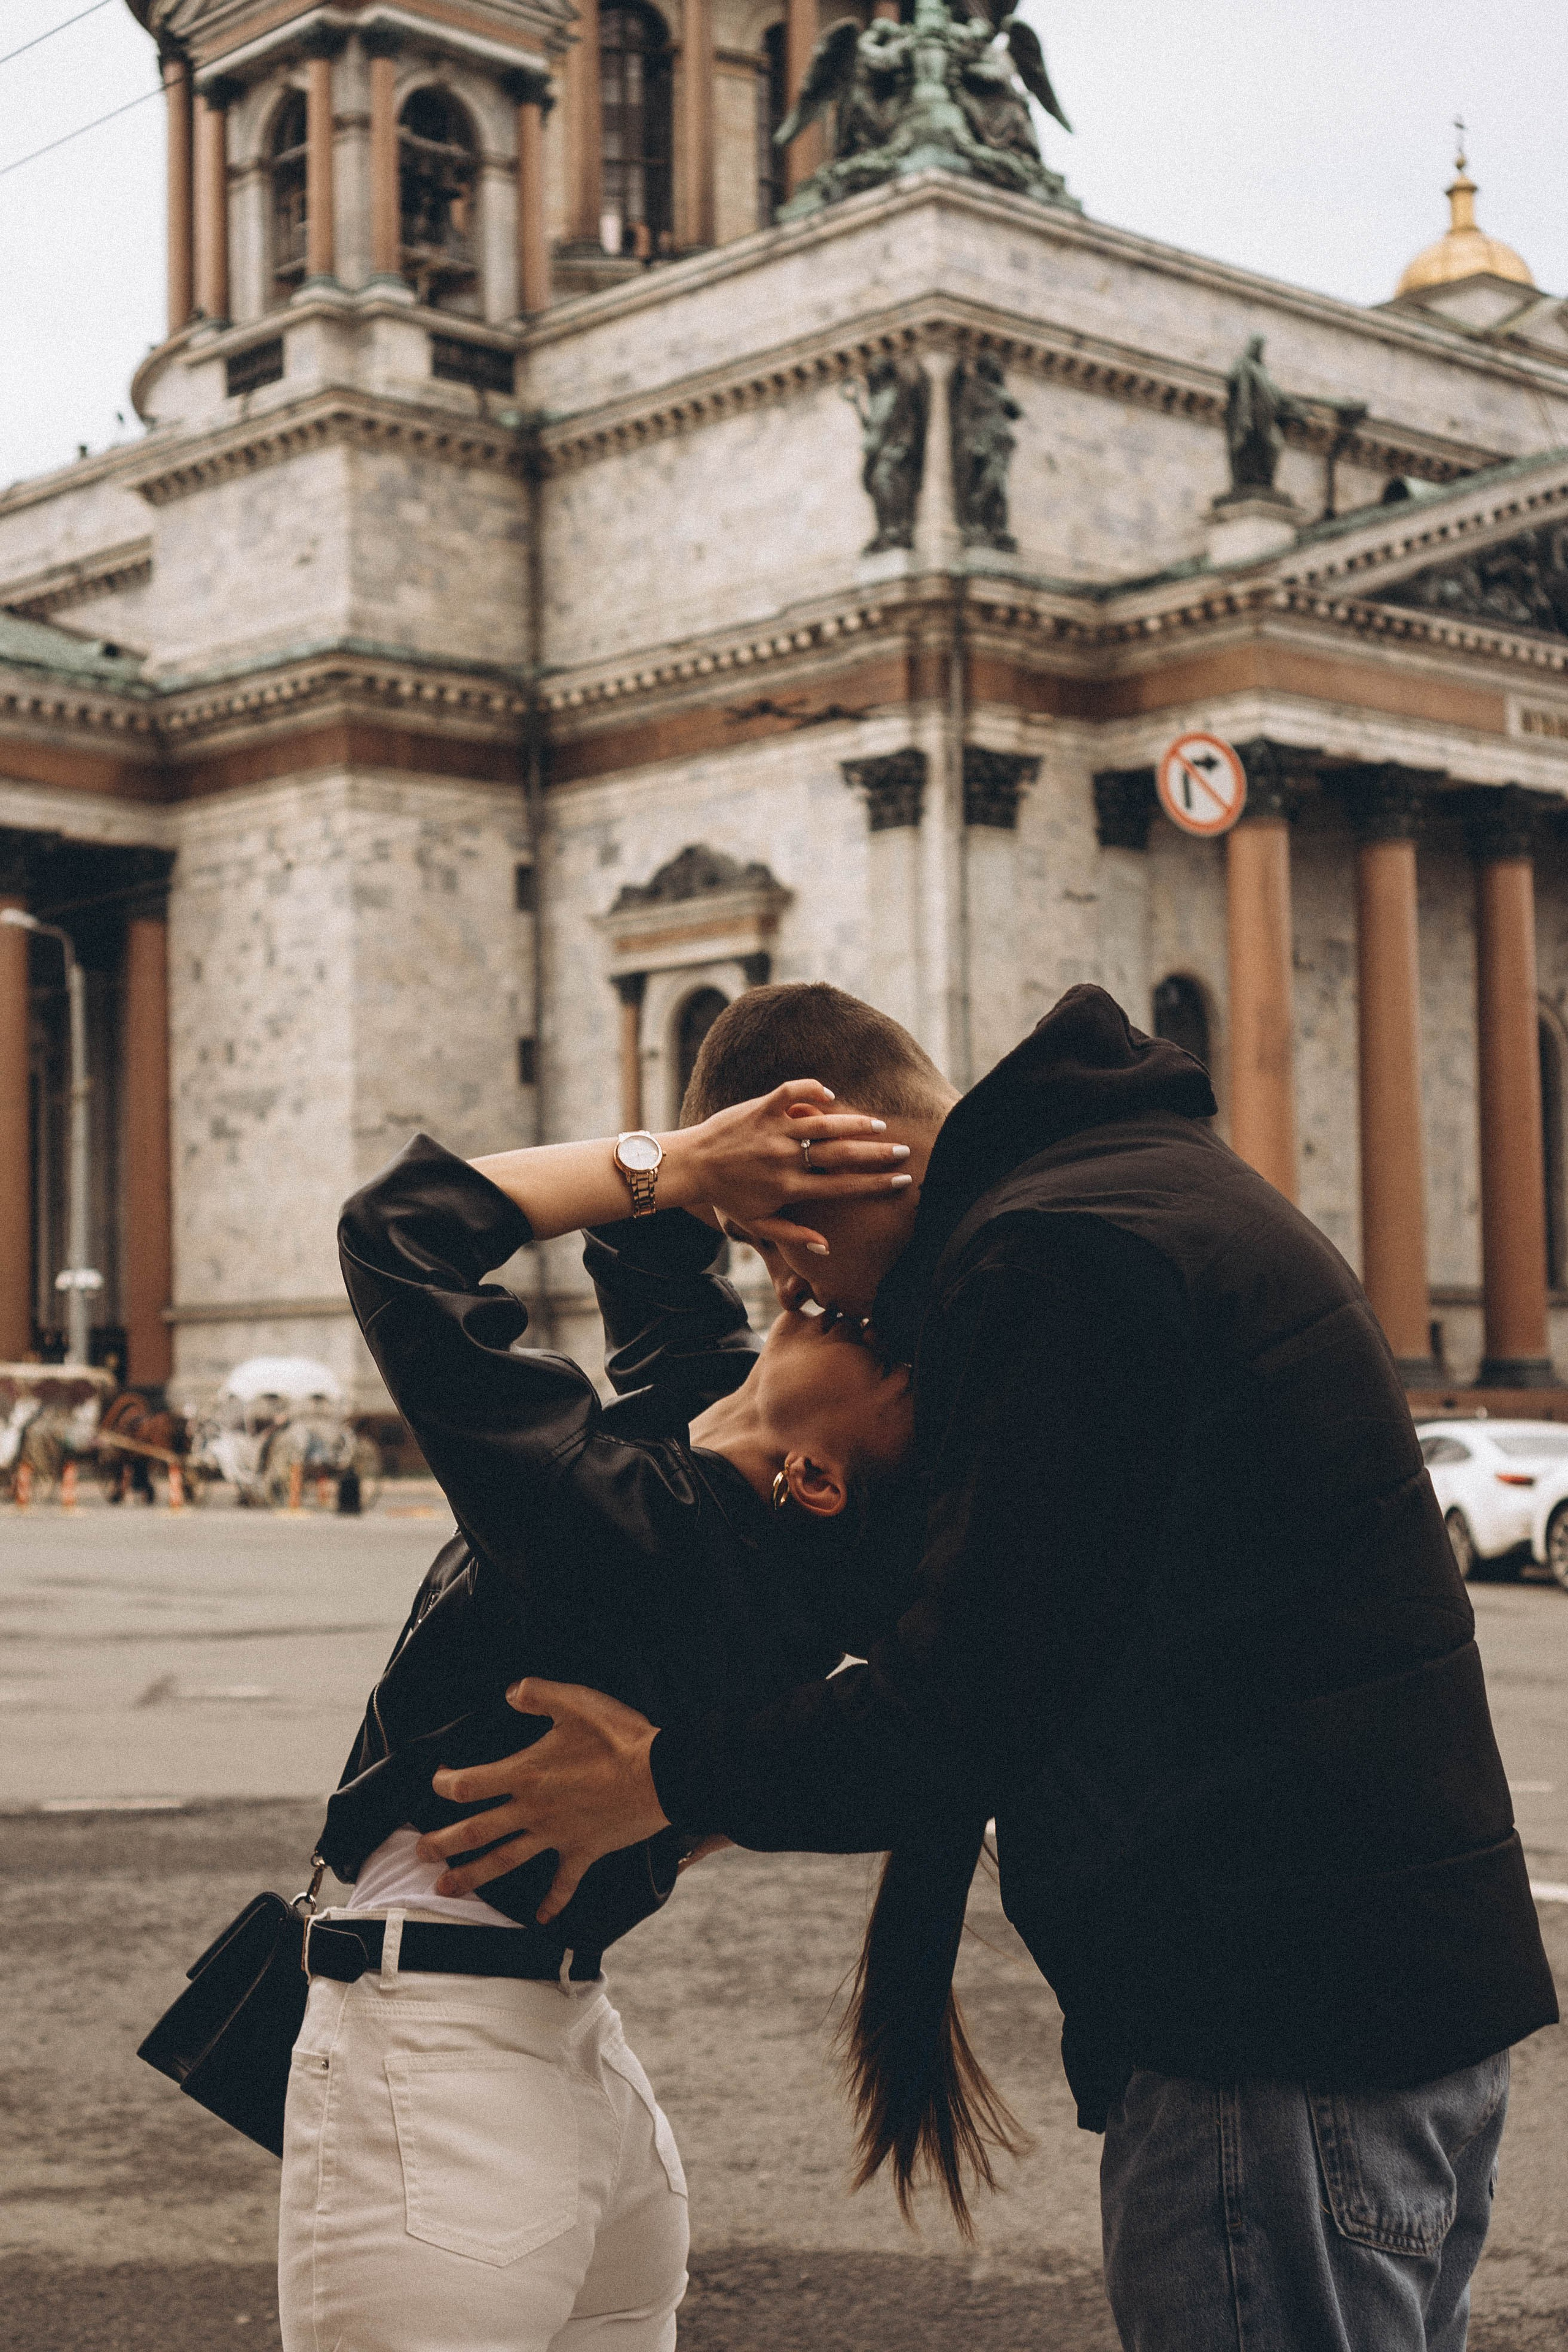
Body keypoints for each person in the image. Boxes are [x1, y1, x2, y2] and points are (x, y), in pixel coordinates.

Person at [419, 981, 1559, 2352]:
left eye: (772, 1240)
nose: (789, 1288)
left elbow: (964, 1702)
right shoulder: (1135, 1187)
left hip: (1274, 2026)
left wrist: (663, 1779)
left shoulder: (1054, 1258)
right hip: (1374, 2005)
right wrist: (685, 1176)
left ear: (829, 1148)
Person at [278, 1088, 946, 2352]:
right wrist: (749, 1185)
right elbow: (654, 1267)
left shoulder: (626, 1527)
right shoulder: (744, 1521)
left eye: (890, 1351)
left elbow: (397, 1234)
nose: (855, 1312)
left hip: (438, 2066)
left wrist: (680, 1160)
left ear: (813, 1476)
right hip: (571, 2072)